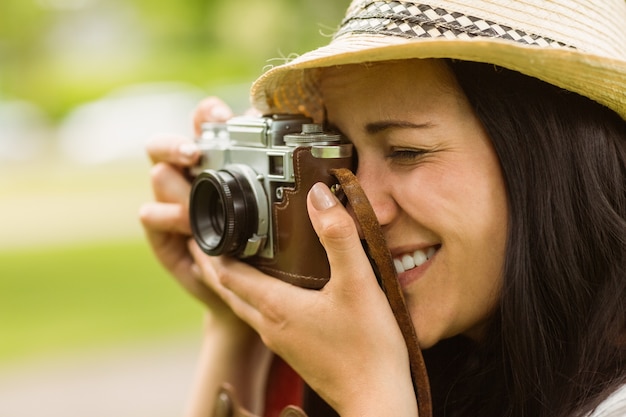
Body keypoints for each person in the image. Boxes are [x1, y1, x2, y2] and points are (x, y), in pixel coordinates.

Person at [139, 0, 626, 416]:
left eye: (406, 151)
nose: (358, 204)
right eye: (340, 157)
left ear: (548, 159)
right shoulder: (457, 362)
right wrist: (235, 319)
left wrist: (368, 389)